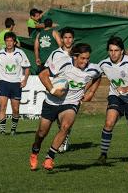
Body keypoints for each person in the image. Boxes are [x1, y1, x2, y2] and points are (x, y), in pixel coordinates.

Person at [29, 43, 101, 171]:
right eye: (82, 58)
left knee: (65, 127)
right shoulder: (62, 63)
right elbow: (42, 75)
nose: (86, 61)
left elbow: (98, 76)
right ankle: (35, 152)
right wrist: (52, 90)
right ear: (75, 57)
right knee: (42, 133)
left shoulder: (93, 69)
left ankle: (49, 158)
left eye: (88, 58)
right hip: (52, 102)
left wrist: (90, 92)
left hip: (71, 103)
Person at [96, 36, 128, 165]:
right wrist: (88, 92)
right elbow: (93, 76)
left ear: (122, 51)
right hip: (116, 97)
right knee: (109, 123)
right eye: (111, 50)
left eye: (116, 50)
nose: (113, 53)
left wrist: (126, 89)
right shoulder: (103, 64)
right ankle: (103, 154)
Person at [0, 32, 30, 135]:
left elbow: (27, 68)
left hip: (16, 84)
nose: (9, 43)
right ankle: (2, 131)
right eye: (7, 41)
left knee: (15, 109)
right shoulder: (0, 54)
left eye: (11, 41)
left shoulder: (20, 53)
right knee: (2, 106)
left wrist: (25, 80)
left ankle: (13, 129)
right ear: (5, 42)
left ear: (14, 42)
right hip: (3, 83)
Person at [46, 27, 75, 152]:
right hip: (60, 88)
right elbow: (48, 69)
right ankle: (65, 135)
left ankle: (64, 139)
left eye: (70, 37)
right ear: (62, 39)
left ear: (73, 39)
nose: (68, 40)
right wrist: (53, 86)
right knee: (59, 119)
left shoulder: (78, 54)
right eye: (65, 38)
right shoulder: (55, 54)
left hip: (73, 90)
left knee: (66, 120)